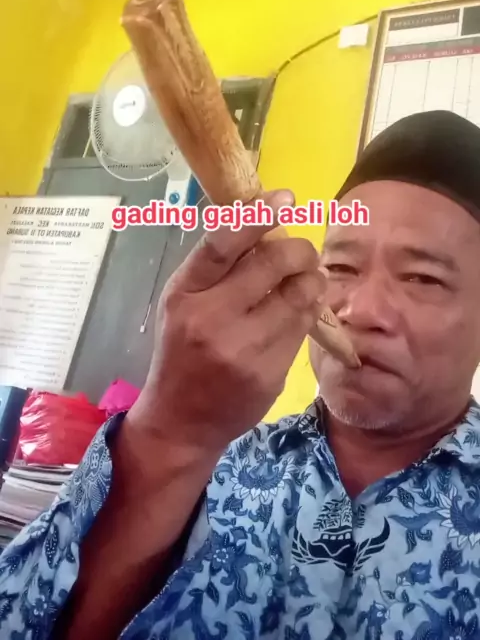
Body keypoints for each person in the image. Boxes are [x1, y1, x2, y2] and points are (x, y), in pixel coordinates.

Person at [2, 109, 480, 640]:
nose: (360, 310)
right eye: (341, 268)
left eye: (422, 278)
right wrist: (169, 430)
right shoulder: (219, 461)